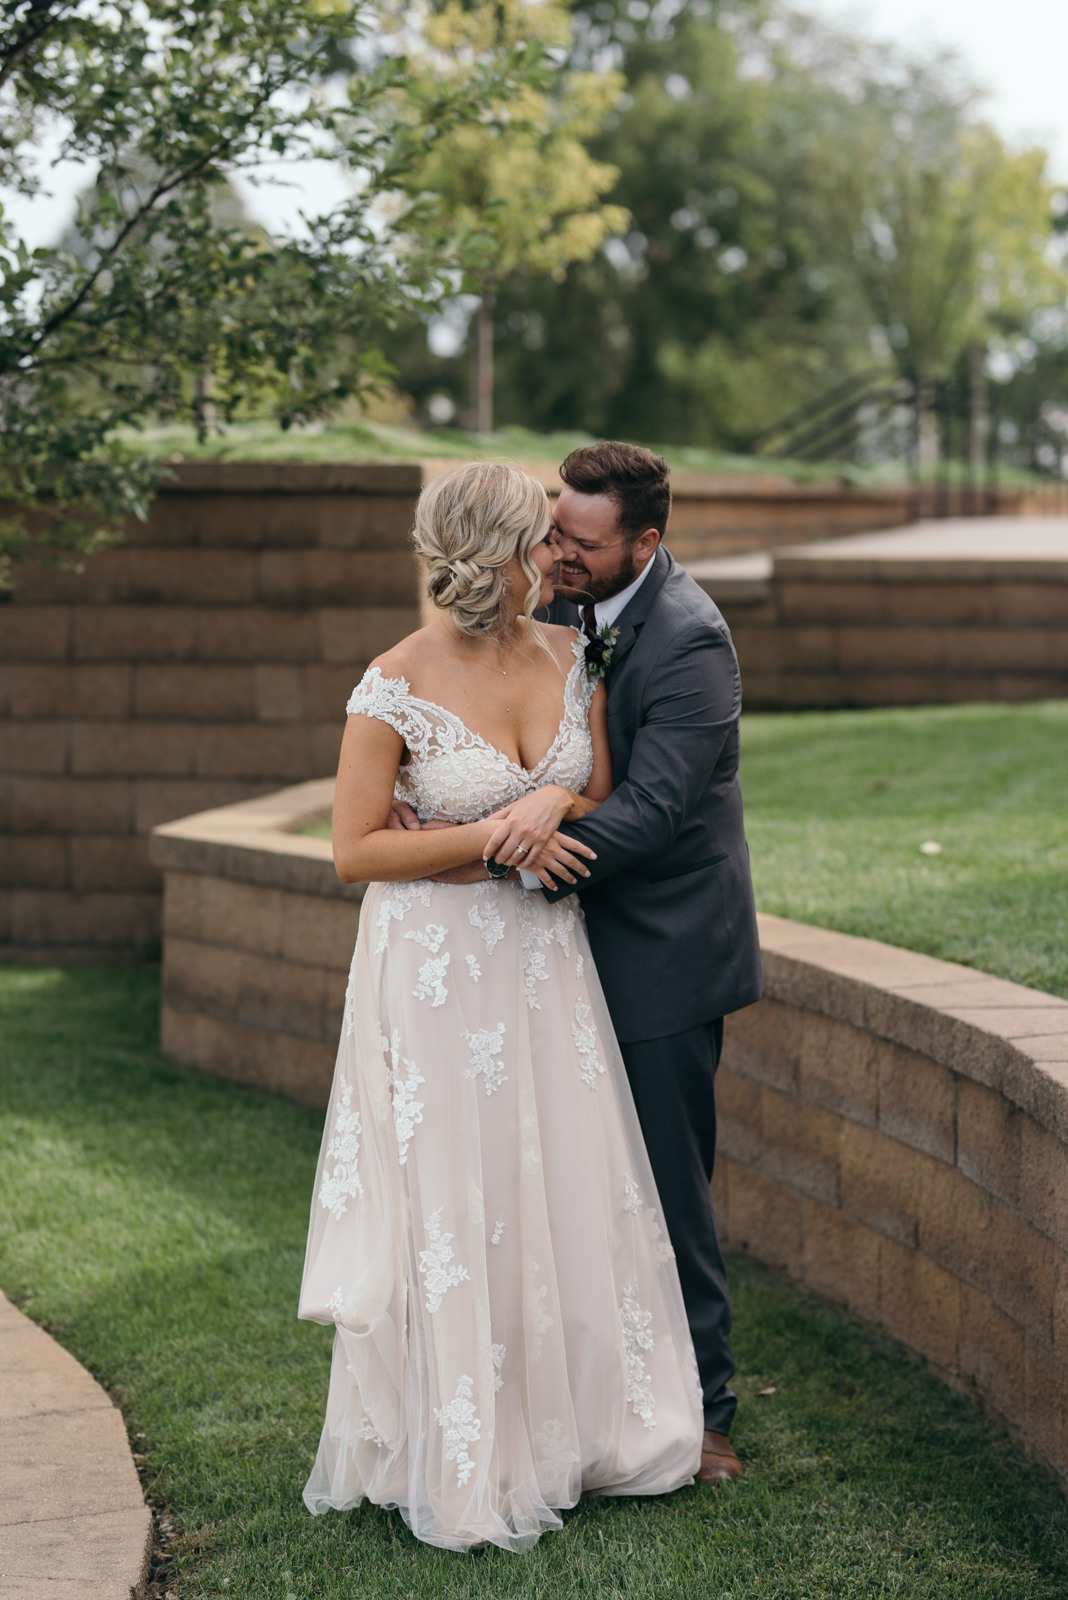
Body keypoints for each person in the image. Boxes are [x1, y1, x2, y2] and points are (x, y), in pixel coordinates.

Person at [299, 460, 703, 1553]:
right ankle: (463, 1446)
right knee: (457, 1194)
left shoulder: (577, 657)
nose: (562, 560)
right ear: (499, 552)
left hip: (543, 961)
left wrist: (555, 795)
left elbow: (605, 797)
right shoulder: (392, 681)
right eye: (545, 543)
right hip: (436, 968)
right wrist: (489, 833)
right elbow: (353, 850)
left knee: (558, 1179)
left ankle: (580, 1428)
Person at [403, 442, 764, 1484]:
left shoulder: (693, 639)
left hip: (660, 951)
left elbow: (651, 809)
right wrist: (433, 803)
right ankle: (586, 1400)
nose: (556, 552)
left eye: (581, 541)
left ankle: (705, 1412)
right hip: (552, 956)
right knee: (570, 1182)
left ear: (646, 543)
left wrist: (504, 859)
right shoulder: (554, 607)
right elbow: (517, 736)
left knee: (662, 1186)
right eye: (553, 529)